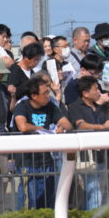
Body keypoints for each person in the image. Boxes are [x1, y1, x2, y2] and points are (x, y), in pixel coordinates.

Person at [12, 77, 72, 210]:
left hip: (47, 161)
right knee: (30, 199)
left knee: (47, 198)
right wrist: (42, 129)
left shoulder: (50, 106)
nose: (48, 96)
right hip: (27, 161)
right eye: (45, 93)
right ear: (34, 96)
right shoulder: (22, 106)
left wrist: (61, 127)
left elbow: (67, 124)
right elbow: (22, 126)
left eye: (48, 92)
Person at [67, 77, 109, 209]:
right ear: (85, 93)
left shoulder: (100, 108)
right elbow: (80, 125)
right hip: (86, 157)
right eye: (95, 89)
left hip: (101, 156)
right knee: (94, 192)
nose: (99, 92)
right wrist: (102, 127)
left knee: (92, 192)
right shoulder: (75, 107)